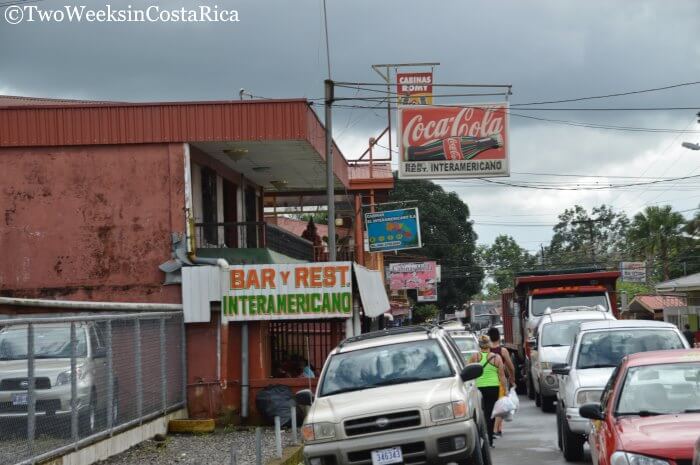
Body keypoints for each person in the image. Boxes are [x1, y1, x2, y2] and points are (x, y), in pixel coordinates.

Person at [470, 335, 507, 448]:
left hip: (479, 389)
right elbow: (502, 376)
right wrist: (505, 390)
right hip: (493, 388)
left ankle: (480, 439)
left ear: (479, 345)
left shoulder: (475, 357)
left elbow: (469, 372)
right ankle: (489, 441)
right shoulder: (497, 358)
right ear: (489, 344)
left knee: (479, 414)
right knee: (490, 414)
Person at [488, 326, 515, 437]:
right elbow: (511, 366)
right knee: (500, 405)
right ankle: (496, 430)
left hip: (488, 382)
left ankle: (497, 429)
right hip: (500, 381)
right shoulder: (502, 351)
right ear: (499, 337)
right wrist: (512, 377)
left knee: (491, 405)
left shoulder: (486, 351)